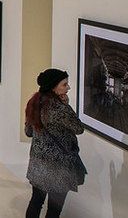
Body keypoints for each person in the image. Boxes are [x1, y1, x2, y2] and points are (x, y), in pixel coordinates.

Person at [25, 68, 87, 218]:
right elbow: (79, 129)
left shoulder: (35, 102)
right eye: (64, 85)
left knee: (36, 201)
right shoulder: (59, 109)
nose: (68, 87)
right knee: (54, 209)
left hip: (38, 163)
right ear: (53, 87)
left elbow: (29, 132)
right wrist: (66, 105)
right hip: (59, 167)